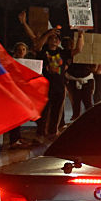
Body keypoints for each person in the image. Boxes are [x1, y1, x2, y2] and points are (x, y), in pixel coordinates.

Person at [19, 12, 66, 140]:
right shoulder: (43, 51)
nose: (54, 40)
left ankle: (52, 131)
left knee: (56, 110)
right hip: (45, 86)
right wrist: (25, 23)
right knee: (43, 111)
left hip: (58, 86)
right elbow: (36, 43)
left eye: (56, 38)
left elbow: (77, 50)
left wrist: (81, 33)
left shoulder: (62, 52)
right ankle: (40, 132)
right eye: (52, 38)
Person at [65, 31, 95, 121]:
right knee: (76, 101)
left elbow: (94, 67)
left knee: (87, 101)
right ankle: (76, 119)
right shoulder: (68, 54)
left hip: (86, 79)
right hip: (74, 80)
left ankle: (90, 119)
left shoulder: (88, 54)